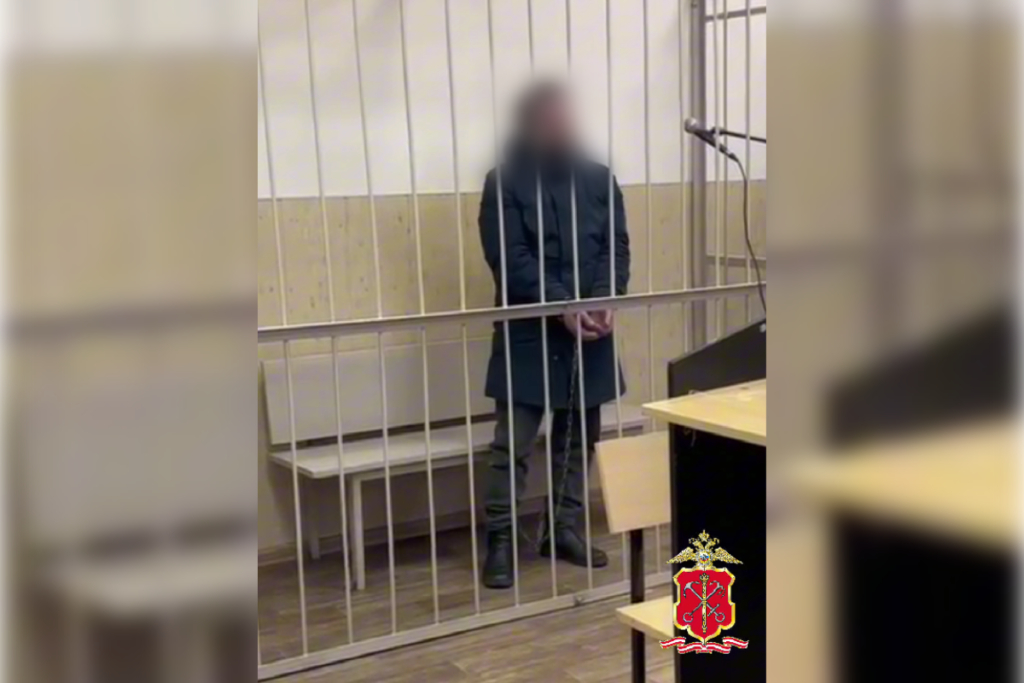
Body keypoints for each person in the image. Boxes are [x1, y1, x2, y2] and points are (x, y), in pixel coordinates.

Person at [477, 81, 631, 589]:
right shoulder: (503, 183)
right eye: (552, 119)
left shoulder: (600, 179)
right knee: (512, 446)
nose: (562, 127)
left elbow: (615, 248)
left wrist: (605, 297)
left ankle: (563, 529)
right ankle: (501, 539)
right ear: (531, 125)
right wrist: (562, 302)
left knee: (579, 439)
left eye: (567, 117)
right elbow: (509, 257)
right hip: (530, 332)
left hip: (590, 331)